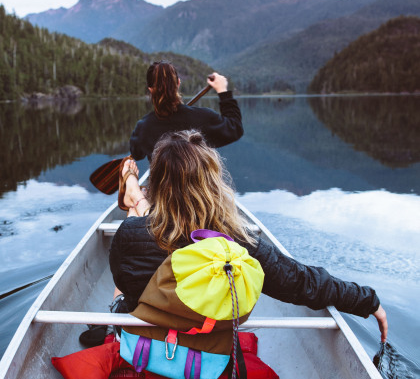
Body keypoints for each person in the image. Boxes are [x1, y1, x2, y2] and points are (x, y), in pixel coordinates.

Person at [109, 130, 388, 343]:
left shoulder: (128, 237)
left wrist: (140, 210)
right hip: (206, 355)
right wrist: (366, 300)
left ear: (156, 184)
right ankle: (135, 193)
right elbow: (300, 282)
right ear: (211, 185)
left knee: (134, 233)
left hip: (147, 347)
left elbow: (124, 281)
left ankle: (133, 192)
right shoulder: (237, 247)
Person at [129, 60, 244, 162]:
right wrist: (222, 91)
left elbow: (137, 154)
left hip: (163, 186)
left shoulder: (143, 127)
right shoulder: (202, 118)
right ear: (178, 83)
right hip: (196, 186)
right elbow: (235, 128)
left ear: (150, 90)